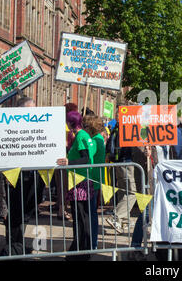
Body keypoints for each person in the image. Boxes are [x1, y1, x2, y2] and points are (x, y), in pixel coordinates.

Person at [0, 97, 46, 256]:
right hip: (14, 177)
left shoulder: (39, 127)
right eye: (29, 112)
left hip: (32, 177)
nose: (32, 116)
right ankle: (12, 248)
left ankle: (18, 246)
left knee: (26, 213)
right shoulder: (8, 126)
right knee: (13, 214)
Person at [56, 111, 95, 261]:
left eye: (67, 121)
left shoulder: (81, 136)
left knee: (80, 218)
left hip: (80, 182)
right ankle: (80, 249)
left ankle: (80, 251)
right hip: (79, 181)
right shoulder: (81, 136)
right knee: (81, 217)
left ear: (71, 122)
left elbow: (85, 159)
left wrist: (69, 163)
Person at [105, 118, 138, 233]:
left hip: (118, 162)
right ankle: (116, 216)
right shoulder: (128, 127)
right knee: (132, 193)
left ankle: (124, 221)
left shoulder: (117, 128)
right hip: (126, 162)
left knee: (124, 192)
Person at [83, 115, 107, 250]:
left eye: (85, 126)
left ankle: (92, 243)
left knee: (90, 213)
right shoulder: (97, 139)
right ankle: (92, 242)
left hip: (92, 179)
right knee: (91, 212)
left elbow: (87, 155)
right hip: (94, 179)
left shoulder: (96, 140)